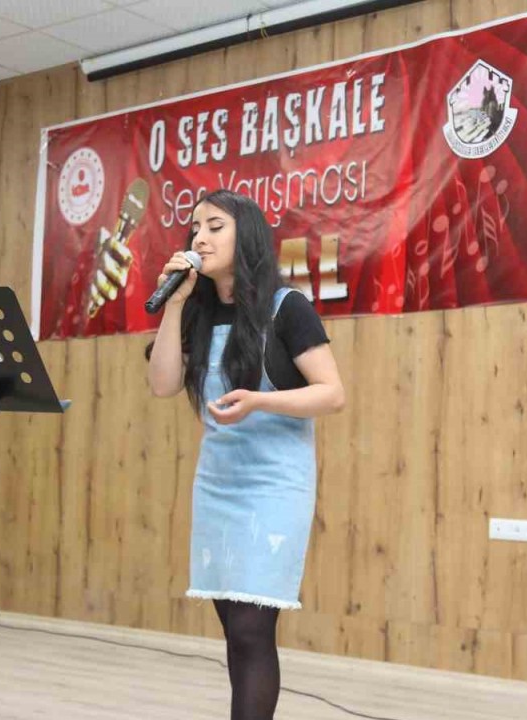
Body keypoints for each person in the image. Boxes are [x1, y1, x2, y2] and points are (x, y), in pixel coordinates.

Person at [147, 190, 345, 719]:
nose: (200, 238)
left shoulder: (287, 308)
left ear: (247, 236)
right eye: (194, 229)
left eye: (215, 227)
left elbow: (332, 393)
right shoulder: (196, 311)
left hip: (274, 486)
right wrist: (174, 305)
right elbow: (163, 384)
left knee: (253, 629)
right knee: (235, 631)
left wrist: (260, 400)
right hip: (218, 484)